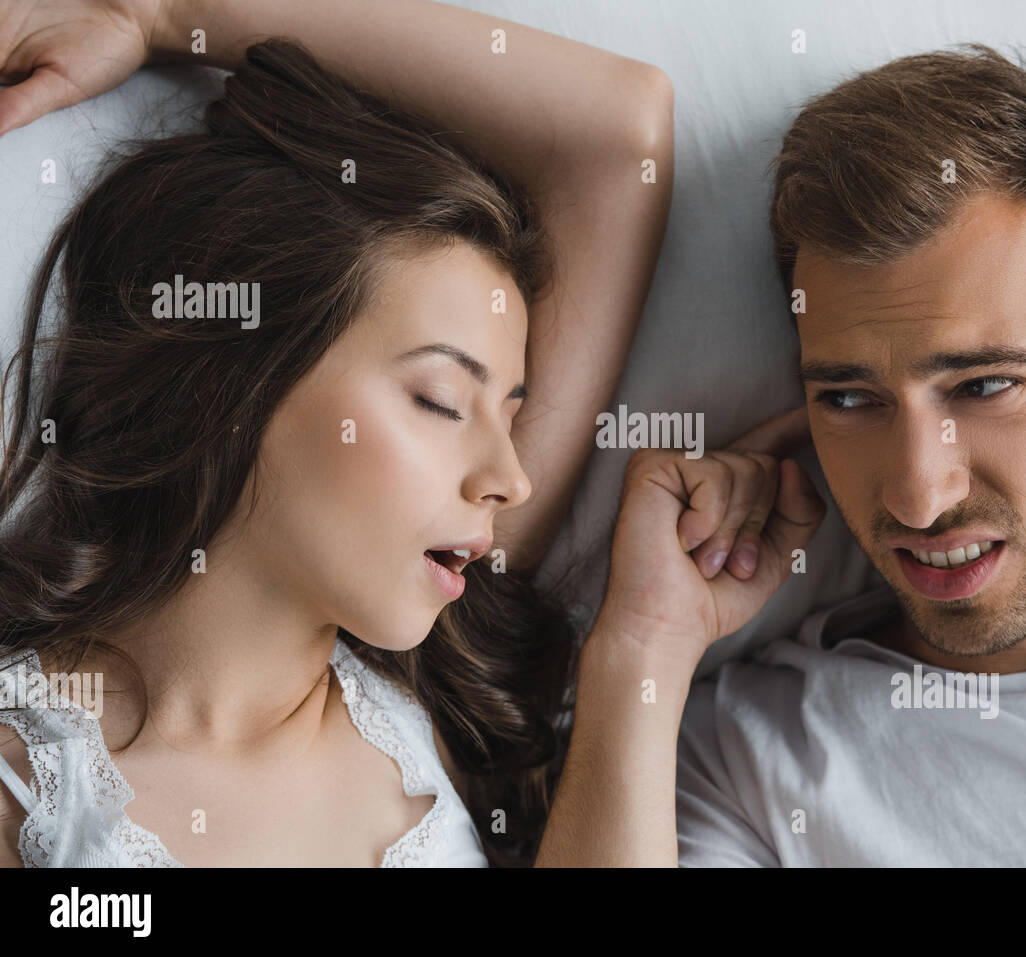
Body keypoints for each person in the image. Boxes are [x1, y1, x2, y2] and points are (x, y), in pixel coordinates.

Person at [541, 45, 1026, 866]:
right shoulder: (751, 768)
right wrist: (639, 646)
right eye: (849, 399)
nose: (917, 497)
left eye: (982, 387)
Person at [0, 0, 671, 867]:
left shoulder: (444, 691)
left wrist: (166, 13)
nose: (511, 478)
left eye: (514, 409)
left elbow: (624, 137)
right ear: (237, 382)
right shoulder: (30, 796)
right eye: (438, 400)